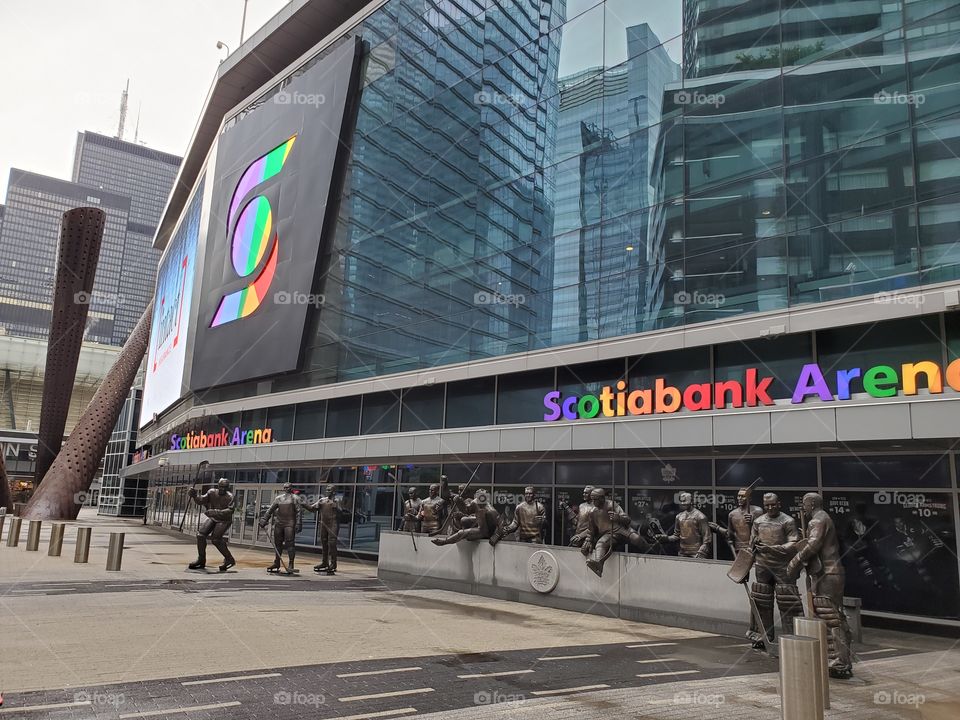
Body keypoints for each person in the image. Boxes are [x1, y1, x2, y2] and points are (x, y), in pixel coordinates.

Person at [788, 493, 853, 678]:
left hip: (827, 573)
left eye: (805, 504)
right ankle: (840, 658)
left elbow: (813, 545)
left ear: (812, 503)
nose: (803, 507)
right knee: (833, 614)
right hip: (828, 572)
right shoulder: (823, 518)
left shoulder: (817, 520)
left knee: (829, 615)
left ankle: (839, 660)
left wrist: (795, 562)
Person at [711, 486, 763, 643]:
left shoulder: (757, 511)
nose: (740, 498)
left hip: (756, 551)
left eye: (743, 496)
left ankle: (758, 628)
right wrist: (718, 529)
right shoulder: (732, 514)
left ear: (749, 498)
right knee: (748, 589)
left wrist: (753, 522)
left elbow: (764, 531)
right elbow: (730, 534)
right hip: (741, 553)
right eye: (739, 496)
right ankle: (754, 628)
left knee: (759, 590)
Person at [750, 492, 802, 647]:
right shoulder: (758, 521)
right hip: (762, 565)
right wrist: (754, 543)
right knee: (762, 601)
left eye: (773, 504)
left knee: (787, 601)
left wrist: (771, 549)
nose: (770, 508)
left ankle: (792, 636)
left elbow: (793, 543)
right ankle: (763, 635)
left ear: (779, 504)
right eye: (767, 505)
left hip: (782, 566)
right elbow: (751, 542)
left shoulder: (788, 521)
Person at [572, 488, 635, 577]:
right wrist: (588, 540)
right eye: (592, 499)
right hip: (609, 535)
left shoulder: (612, 505)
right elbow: (591, 529)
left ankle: (651, 550)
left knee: (637, 539)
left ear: (602, 498)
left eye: (595, 499)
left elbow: (627, 520)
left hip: (621, 531)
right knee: (601, 543)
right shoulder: (592, 512)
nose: (593, 502)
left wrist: (618, 518)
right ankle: (598, 564)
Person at [187, 478, 236, 572]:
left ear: (228, 488)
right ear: (218, 486)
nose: (222, 489)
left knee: (216, 539)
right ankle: (201, 559)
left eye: (225, 487)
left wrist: (215, 512)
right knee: (200, 535)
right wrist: (194, 496)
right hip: (213, 517)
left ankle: (229, 559)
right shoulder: (212, 492)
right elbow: (201, 500)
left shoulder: (230, 497)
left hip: (224, 520)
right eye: (221, 487)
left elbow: (230, 510)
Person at [259, 482, 303, 574]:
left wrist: (299, 523)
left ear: (291, 488)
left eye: (288, 487)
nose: (286, 489)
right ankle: (277, 562)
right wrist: (264, 519)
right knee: (277, 543)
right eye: (285, 487)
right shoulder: (278, 498)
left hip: (289, 523)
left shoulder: (296, 498)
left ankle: (291, 564)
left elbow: (299, 512)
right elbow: (270, 509)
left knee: (290, 543)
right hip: (279, 523)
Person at [431, 489, 500, 545]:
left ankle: (444, 541)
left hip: (484, 531)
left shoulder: (490, 511)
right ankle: (464, 534)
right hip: (481, 525)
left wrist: (496, 536)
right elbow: (466, 510)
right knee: (464, 520)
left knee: (461, 533)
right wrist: (459, 501)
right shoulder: (476, 502)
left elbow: (500, 524)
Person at [657, 491, 712, 558]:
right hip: (682, 552)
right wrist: (666, 538)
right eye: (681, 501)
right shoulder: (679, 517)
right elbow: (676, 536)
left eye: (685, 501)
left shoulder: (700, 517)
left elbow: (707, 538)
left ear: (691, 501)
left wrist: (703, 549)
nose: (683, 503)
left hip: (696, 553)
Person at [305, 484, 343, 575]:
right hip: (324, 524)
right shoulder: (322, 500)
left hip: (333, 524)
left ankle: (333, 564)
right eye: (327, 489)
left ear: (334, 491)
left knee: (332, 543)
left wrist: (336, 506)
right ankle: (324, 562)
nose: (327, 491)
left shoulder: (337, 500)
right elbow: (312, 508)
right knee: (324, 543)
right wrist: (303, 504)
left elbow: (341, 512)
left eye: (329, 490)